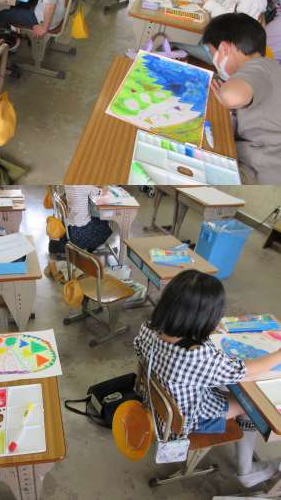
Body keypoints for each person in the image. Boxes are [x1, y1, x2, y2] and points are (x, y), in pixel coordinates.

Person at [134, 269, 281, 489]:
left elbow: (140, 348)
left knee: (230, 388)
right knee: (250, 403)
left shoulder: (148, 328)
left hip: (160, 405)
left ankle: (247, 463)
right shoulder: (194, 354)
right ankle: (247, 471)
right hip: (190, 418)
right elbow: (243, 371)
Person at [202, 12, 281, 185]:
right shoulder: (270, 66)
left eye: (212, 53)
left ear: (224, 48)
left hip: (262, 175)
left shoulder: (258, 68)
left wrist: (225, 95)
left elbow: (232, 96)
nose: (213, 61)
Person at [65, 186, 112, 252]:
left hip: (71, 230)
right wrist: (106, 186)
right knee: (106, 227)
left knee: (97, 219)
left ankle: (91, 247)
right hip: (81, 234)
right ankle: (90, 248)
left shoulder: (67, 185)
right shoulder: (84, 186)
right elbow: (102, 193)